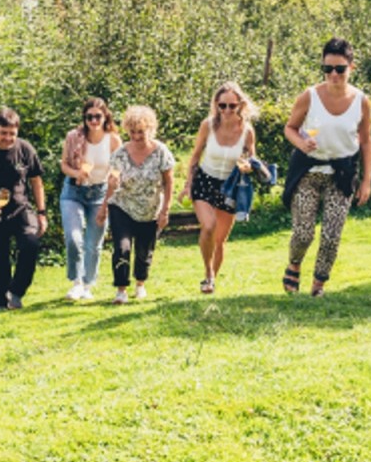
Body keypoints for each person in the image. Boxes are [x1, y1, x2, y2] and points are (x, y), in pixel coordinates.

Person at [282, 37, 371, 297]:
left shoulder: (361, 101)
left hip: (341, 174)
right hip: (308, 172)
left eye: (340, 69)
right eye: (328, 69)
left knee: (332, 235)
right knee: (303, 233)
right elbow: (289, 128)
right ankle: (294, 264)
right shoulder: (309, 96)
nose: (333, 74)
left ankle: (319, 284)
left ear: (351, 68)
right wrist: (300, 142)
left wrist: (366, 181)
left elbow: (366, 141)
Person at [179, 82, 258, 294]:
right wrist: (188, 185)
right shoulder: (208, 125)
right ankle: (208, 274)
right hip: (205, 181)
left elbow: (252, 157)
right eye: (222, 106)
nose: (227, 111)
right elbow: (195, 155)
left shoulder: (247, 131)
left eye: (232, 106)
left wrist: (249, 166)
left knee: (220, 240)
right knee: (209, 226)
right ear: (216, 105)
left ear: (240, 105)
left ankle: (212, 279)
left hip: (230, 186)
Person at [0, 108, 47, 310]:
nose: (8, 138)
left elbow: (36, 182)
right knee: (0, 257)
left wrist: (41, 212)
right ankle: (1, 302)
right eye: (3, 133)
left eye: (12, 133)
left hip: (21, 209)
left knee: (31, 244)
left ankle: (17, 291)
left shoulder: (25, 149)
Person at [97, 105, 174, 305]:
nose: (137, 136)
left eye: (141, 131)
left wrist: (165, 210)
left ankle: (140, 284)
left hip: (150, 209)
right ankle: (121, 289)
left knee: (144, 250)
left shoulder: (161, 152)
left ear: (150, 129)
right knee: (122, 247)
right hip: (122, 205)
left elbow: (168, 182)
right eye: (132, 132)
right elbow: (112, 180)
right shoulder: (121, 153)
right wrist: (104, 206)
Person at [59, 98, 122, 302]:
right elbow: (64, 165)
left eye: (98, 116)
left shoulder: (112, 140)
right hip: (73, 191)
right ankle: (76, 282)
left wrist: (114, 177)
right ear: (84, 118)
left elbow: (117, 167)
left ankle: (88, 285)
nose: (94, 120)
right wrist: (77, 173)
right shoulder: (74, 137)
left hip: (100, 193)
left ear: (105, 117)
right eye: (89, 117)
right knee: (73, 238)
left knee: (93, 242)